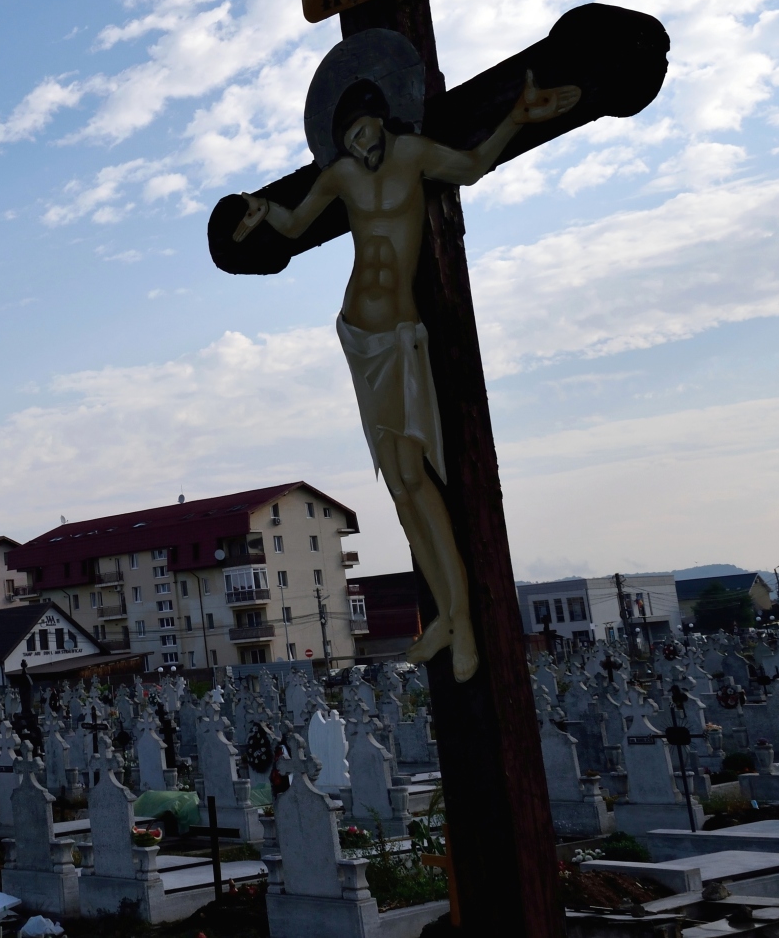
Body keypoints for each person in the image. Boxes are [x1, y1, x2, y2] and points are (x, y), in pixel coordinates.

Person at [234, 65, 579, 683]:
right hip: (358, 334)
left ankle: (461, 618)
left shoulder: (414, 153)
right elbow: (294, 224)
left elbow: (471, 166)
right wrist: (262, 211)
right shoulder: (341, 173)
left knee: (418, 476)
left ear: (382, 121)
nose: (361, 149)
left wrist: (516, 119)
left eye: (366, 134)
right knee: (398, 483)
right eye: (350, 142)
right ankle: (444, 618)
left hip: (398, 334)